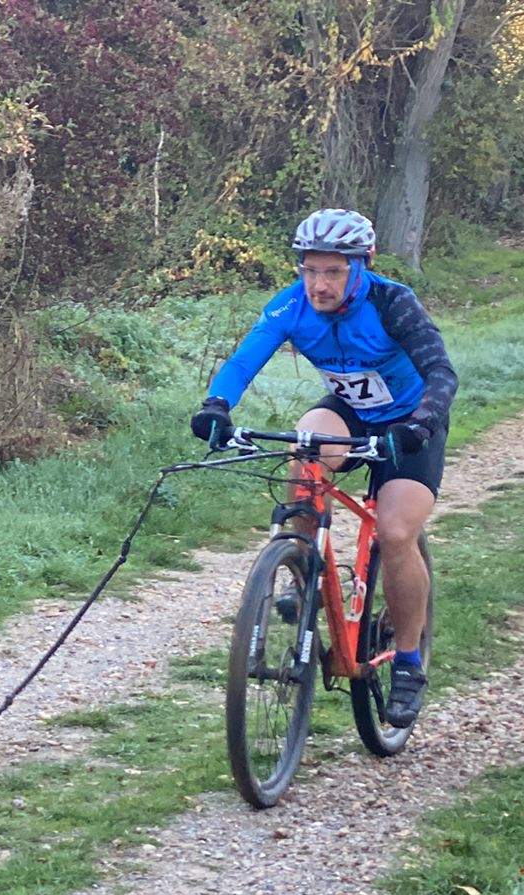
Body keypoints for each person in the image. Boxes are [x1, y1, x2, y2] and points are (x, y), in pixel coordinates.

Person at [189, 209, 457, 728]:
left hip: (410, 420)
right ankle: (302, 563)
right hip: (351, 411)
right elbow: (245, 361)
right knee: (306, 441)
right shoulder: (291, 305)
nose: (319, 284)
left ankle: (407, 663)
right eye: (310, 270)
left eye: (333, 271)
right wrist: (216, 405)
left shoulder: (391, 303)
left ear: (362, 266)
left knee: (397, 533)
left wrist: (420, 423)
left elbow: (441, 373)